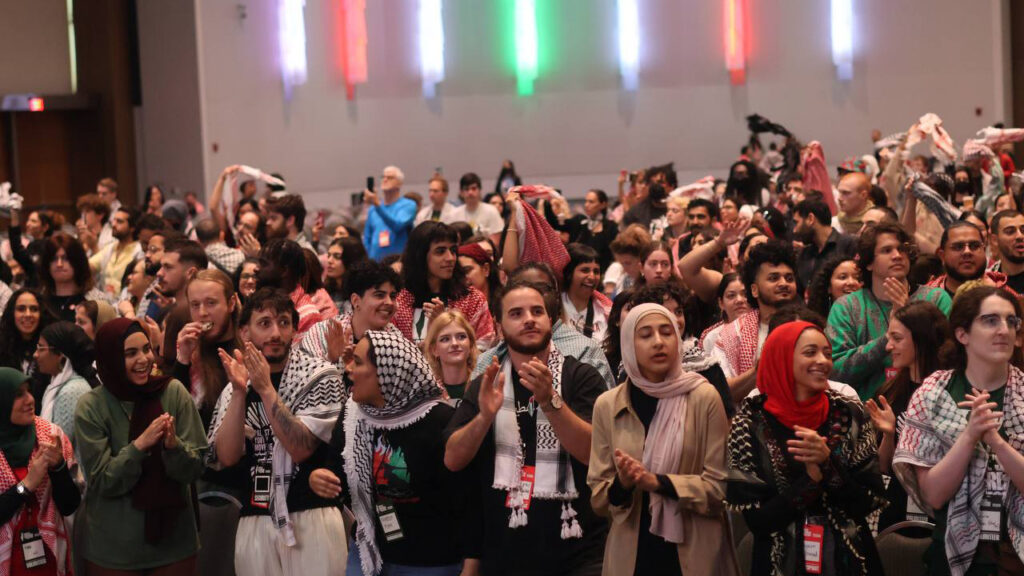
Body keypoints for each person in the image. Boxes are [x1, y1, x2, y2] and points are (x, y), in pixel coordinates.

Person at [444, 279, 608, 576]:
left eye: (537, 311)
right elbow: (453, 459)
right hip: (505, 551)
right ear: (499, 325)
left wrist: (550, 402)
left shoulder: (580, 376)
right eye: (516, 313)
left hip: (579, 550)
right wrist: (483, 418)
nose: (529, 319)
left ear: (550, 319)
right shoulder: (487, 384)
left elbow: (593, 452)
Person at [588, 304, 738, 576]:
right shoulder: (608, 405)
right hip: (633, 553)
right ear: (628, 344)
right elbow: (599, 500)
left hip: (694, 552)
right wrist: (623, 483)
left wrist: (657, 482)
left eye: (666, 332)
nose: (658, 342)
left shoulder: (704, 397)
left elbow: (717, 490)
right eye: (645, 335)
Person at [727, 320, 886, 576]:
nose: (823, 361)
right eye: (810, 352)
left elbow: (868, 502)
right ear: (781, 358)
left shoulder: (849, 413)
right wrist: (811, 480)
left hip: (848, 560)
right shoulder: (750, 424)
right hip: (779, 561)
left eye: (828, 353)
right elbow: (758, 522)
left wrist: (828, 464)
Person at [209, 288, 346, 576]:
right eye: (264, 323)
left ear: (295, 328)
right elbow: (228, 456)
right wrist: (237, 392)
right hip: (255, 515)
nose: (275, 333)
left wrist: (266, 390)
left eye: (284, 322)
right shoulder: (236, 384)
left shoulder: (320, 375)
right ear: (245, 332)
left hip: (312, 513)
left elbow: (301, 447)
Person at [893, 286, 1024, 574]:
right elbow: (933, 495)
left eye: (1011, 321)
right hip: (950, 552)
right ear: (962, 334)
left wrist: (997, 443)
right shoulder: (933, 394)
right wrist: (970, 435)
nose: (1004, 329)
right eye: (990, 320)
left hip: (1016, 556)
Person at [316, 330, 466, 576]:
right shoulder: (352, 416)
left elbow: (466, 501)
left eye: (359, 362)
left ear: (388, 373)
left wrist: (471, 563)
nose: (349, 369)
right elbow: (336, 472)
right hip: (369, 551)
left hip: (430, 561)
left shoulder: (438, 420)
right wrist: (322, 479)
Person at [74, 318, 207, 575]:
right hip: (113, 550)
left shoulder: (172, 392)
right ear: (110, 358)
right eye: (130, 353)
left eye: (147, 349)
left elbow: (197, 467)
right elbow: (102, 481)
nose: (144, 359)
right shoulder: (91, 406)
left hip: (174, 544)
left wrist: (173, 447)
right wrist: (139, 446)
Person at [827, 222, 952, 400]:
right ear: (869, 263)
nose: (897, 256)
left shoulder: (936, 299)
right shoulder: (846, 307)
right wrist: (888, 338)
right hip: (867, 415)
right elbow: (836, 372)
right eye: (887, 251)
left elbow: (947, 358)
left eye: (902, 249)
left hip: (927, 409)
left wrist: (909, 320)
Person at [863, 301, 950, 532]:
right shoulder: (888, 393)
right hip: (896, 510)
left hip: (942, 510)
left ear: (921, 339)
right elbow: (882, 468)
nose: (889, 346)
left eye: (897, 338)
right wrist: (889, 435)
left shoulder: (951, 394)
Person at [0, 367, 79, 575]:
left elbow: (70, 505)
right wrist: (26, 486)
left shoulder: (51, 436)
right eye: (18, 395)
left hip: (48, 559)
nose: (29, 399)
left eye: (28, 391)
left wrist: (59, 468)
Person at [713, 240, 798, 398]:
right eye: (773, 278)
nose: (783, 283)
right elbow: (720, 391)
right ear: (754, 290)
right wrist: (759, 369)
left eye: (789, 278)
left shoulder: (809, 326)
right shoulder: (732, 334)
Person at [393, 222, 495, 348]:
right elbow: (392, 354)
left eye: (453, 250)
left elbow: (485, 349)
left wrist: (445, 324)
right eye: (440, 251)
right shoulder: (398, 301)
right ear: (420, 256)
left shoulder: (472, 299)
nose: (450, 258)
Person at [299, 259, 403, 373]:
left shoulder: (396, 341)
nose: (389, 302)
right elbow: (306, 380)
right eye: (379, 295)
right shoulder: (323, 332)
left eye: (392, 296)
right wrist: (333, 361)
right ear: (355, 300)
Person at [173, 269, 241, 426]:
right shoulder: (189, 352)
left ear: (231, 303)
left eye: (211, 303)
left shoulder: (250, 348)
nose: (202, 313)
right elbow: (175, 413)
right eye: (195, 305)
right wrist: (182, 359)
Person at [33, 322, 97, 446]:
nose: (35, 354)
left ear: (61, 356)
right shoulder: (55, 384)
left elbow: (57, 450)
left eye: (41, 348)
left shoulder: (72, 391)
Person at [257, 239, 326, 337]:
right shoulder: (261, 300)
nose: (256, 268)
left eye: (264, 264)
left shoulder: (308, 316)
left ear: (285, 270)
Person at [927, 221, 1012, 297]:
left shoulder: (1007, 297)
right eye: (958, 247)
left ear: (984, 250)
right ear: (942, 255)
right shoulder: (927, 298)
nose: (967, 252)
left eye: (974, 246)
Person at [0, 289, 58, 397]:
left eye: (34, 309)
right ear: (12, 313)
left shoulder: (53, 348)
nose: (28, 314)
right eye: (21, 309)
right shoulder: (2, 346)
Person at [40, 233, 110, 322]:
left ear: (77, 261)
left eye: (65, 258)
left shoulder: (97, 301)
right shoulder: (39, 302)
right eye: (54, 259)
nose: (59, 264)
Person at [792, 199, 857, 288]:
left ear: (811, 219)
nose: (794, 230)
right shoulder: (804, 253)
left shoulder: (849, 245)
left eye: (796, 222)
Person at [363, 166, 417, 260]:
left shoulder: (408, 205)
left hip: (397, 263)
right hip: (375, 263)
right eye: (383, 177)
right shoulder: (373, 209)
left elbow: (397, 225)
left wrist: (378, 205)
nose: (385, 179)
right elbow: (367, 238)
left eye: (390, 177)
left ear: (399, 183)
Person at [561, 244, 612, 344]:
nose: (592, 277)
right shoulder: (554, 307)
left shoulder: (606, 312)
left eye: (596, 271)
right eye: (585, 270)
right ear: (569, 273)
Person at [423, 310, 478, 401]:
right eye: (445, 339)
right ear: (434, 350)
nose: (454, 343)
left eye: (461, 337)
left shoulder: (482, 385)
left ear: (470, 344)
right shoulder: (428, 392)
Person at [89, 206, 141, 296]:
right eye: (114, 220)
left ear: (132, 227)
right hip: (107, 304)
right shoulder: (110, 248)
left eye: (119, 221)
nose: (113, 224)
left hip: (127, 303)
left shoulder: (138, 251)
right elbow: (88, 267)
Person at [565, 189, 618, 272]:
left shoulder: (611, 227)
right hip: (577, 271)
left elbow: (614, 254)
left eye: (591, 202)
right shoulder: (579, 222)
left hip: (602, 272)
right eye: (586, 201)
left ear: (603, 205)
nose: (586, 205)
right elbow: (557, 224)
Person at [450, 173, 504, 237]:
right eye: (466, 189)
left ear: (480, 190)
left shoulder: (492, 211)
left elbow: (497, 240)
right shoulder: (454, 214)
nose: (470, 192)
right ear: (461, 193)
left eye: (473, 188)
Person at [324, 236, 368, 314]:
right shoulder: (326, 291)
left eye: (337, 256)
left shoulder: (363, 295)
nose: (329, 261)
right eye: (329, 255)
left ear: (352, 259)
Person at [988, 210, 1024, 294]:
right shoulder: (989, 281)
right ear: (995, 240)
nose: (1020, 236)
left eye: (1023, 230)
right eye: (1010, 232)